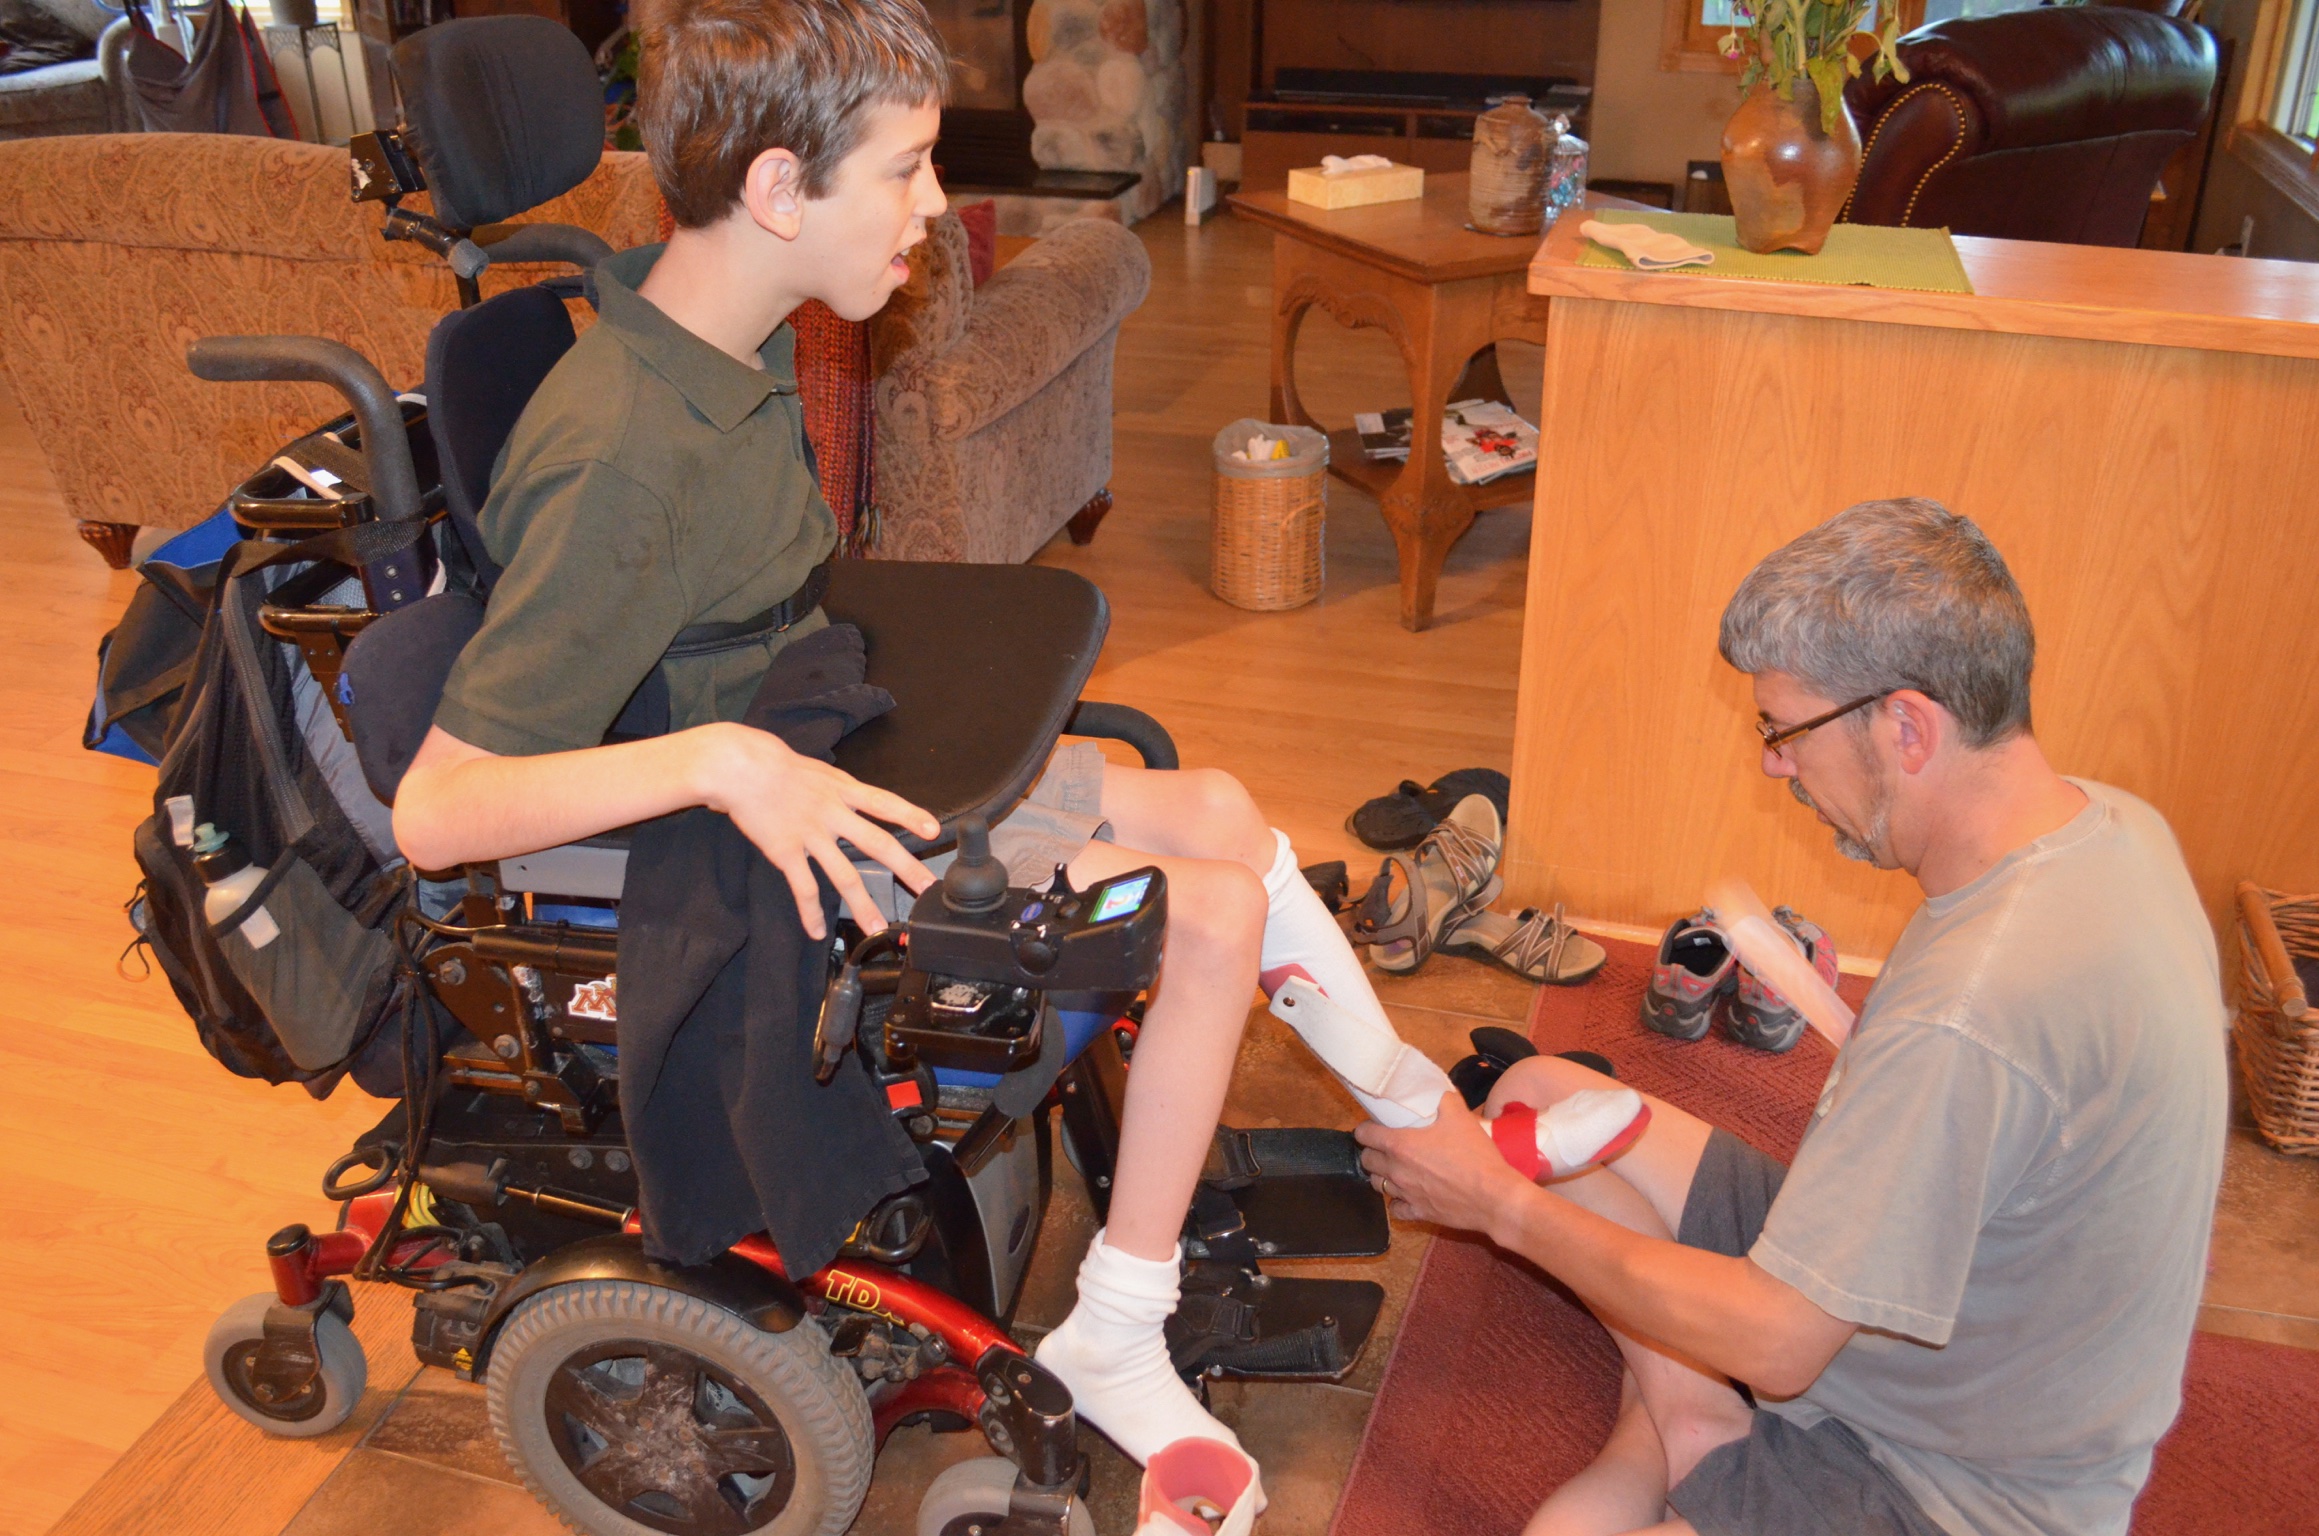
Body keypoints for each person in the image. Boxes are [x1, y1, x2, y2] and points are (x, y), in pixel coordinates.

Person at [386, 0, 1487, 1486]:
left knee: (1216, 803)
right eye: (903, 172)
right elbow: (436, 815)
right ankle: (1117, 1322)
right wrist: (724, 765)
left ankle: (1413, 1111)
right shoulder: (622, 453)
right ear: (777, 193)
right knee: (1211, 913)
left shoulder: (705, 318)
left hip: (808, 740)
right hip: (741, 842)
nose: (933, 214)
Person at [1355, 498, 2229, 1536]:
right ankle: (1686, 1417)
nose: (1775, 764)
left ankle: (1687, 1427)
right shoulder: (2115, 823)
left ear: (1908, 726)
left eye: (1787, 731)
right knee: (1543, 1095)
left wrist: (1496, 1206)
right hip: (1905, 1309)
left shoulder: (1973, 1009)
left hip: (1949, 1482)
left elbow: (1780, 1346)